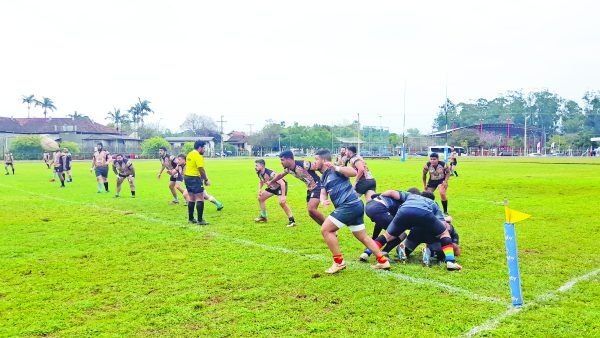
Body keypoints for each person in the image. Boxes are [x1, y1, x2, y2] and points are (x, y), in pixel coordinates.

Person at [314, 149, 390, 273]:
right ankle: (383, 261)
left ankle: (338, 262)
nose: (314, 163)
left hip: (349, 205)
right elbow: (323, 193)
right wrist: (323, 201)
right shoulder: (324, 177)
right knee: (362, 236)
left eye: (316, 160)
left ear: (323, 160)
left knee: (326, 229)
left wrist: (336, 167)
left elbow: (353, 172)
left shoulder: (336, 169)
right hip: (355, 205)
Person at [371, 191, 462, 271]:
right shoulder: (433, 203)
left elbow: (391, 192)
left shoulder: (411, 196)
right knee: (443, 234)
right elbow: (443, 225)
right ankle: (450, 261)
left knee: (387, 236)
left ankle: (367, 253)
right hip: (426, 220)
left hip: (406, 216)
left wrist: (380, 196)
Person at [268, 150, 325, 226]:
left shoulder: (304, 164)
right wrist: (271, 181)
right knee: (311, 213)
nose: (281, 162)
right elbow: (280, 175)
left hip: (317, 186)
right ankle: (327, 229)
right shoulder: (288, 169)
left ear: (289, 159)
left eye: (282, 160)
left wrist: (329, 177)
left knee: (311, 209)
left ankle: (329, 227)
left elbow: (319, 167)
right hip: (310, 189)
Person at [358, 188, 416, 262]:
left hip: (369, 206)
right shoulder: (405, 202)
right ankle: (384, 252)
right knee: (401, 234)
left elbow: (380, 222)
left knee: (389, 229)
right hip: (379, 208)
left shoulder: (397, 196)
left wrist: (374, 238)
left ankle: (366, 253)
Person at [254, 159, 295, 227]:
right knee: (260, 198)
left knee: (282, 202)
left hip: (280, 187)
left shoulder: (271, 173)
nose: (255, 167)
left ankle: (292, 220)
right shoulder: (259, 173)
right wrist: (259, 189)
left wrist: (283, 196)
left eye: (256, 165)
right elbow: (261, 182)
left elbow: (282, 183)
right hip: (272, 188)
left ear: (262, 165)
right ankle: (263, 217)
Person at [184, 140, 211, 225]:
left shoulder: (190, 154)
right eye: (204, 148)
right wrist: (206, 179)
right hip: (194, 178)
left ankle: (191, 219)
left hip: (187, 177)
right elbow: (201, 169)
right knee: (200, 198)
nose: (204, 150)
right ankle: (200, 220)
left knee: (191, 198)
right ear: (200, 147)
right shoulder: (198, 156)